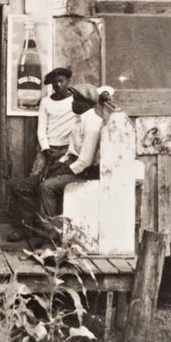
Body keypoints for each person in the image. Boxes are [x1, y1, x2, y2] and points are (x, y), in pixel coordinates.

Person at [6, 67, 77, 242]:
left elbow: (101, 93)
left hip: (68, 151)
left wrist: (63, 155)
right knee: (28, 186)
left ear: (68, 82)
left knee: (50, 187)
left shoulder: (76, 101)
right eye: (55, 82)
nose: (58, 85)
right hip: (48, 150)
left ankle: (52, 229)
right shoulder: (46, 102)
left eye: (61, 81)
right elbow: (41, 130)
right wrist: (46, 151)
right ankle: (27, 226)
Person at [32, 84, 105, 244]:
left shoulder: (92, 124)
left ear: (85, 103)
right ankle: (52, 232)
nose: (72, 103)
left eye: (75, 100)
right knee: (44, 179)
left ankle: (51, 237)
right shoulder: (80, 121)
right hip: (75, 168)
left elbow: (84, 161)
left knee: (48, 187)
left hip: (85, 174)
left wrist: (62, 171)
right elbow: (70, 153)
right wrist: (55, 167)